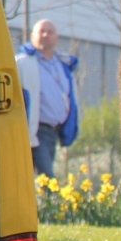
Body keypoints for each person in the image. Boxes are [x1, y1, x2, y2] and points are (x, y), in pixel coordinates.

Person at [15, 19, 80, 178]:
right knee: (47, 178)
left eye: (50, 32)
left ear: (56, 38)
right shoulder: (22, 63)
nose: (45, 35)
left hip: (54, 131)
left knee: (38, 178)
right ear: (32, 36)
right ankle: (53, 201)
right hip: (35, 130)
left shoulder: (62, 65)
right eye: (41, 32)